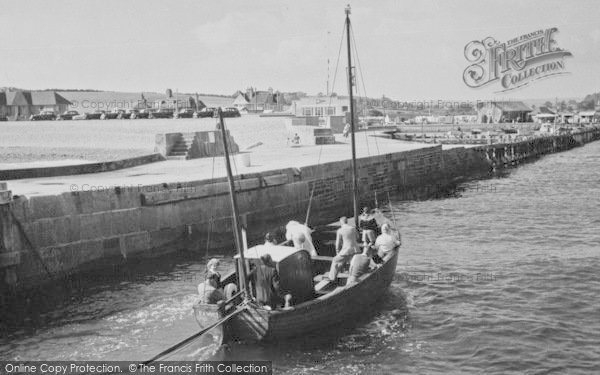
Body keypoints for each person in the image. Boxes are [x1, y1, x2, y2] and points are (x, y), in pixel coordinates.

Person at [328, 217, 359, 281]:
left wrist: (337, 251)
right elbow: (357, 237)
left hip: (346, 250)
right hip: (355, 249)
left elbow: (338, 243)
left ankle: (332, 278)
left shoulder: (340, 230)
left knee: (335, 260)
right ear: (347, 221)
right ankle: (352, 274)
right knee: (351, 262)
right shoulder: (353, 228)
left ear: (341, 222)